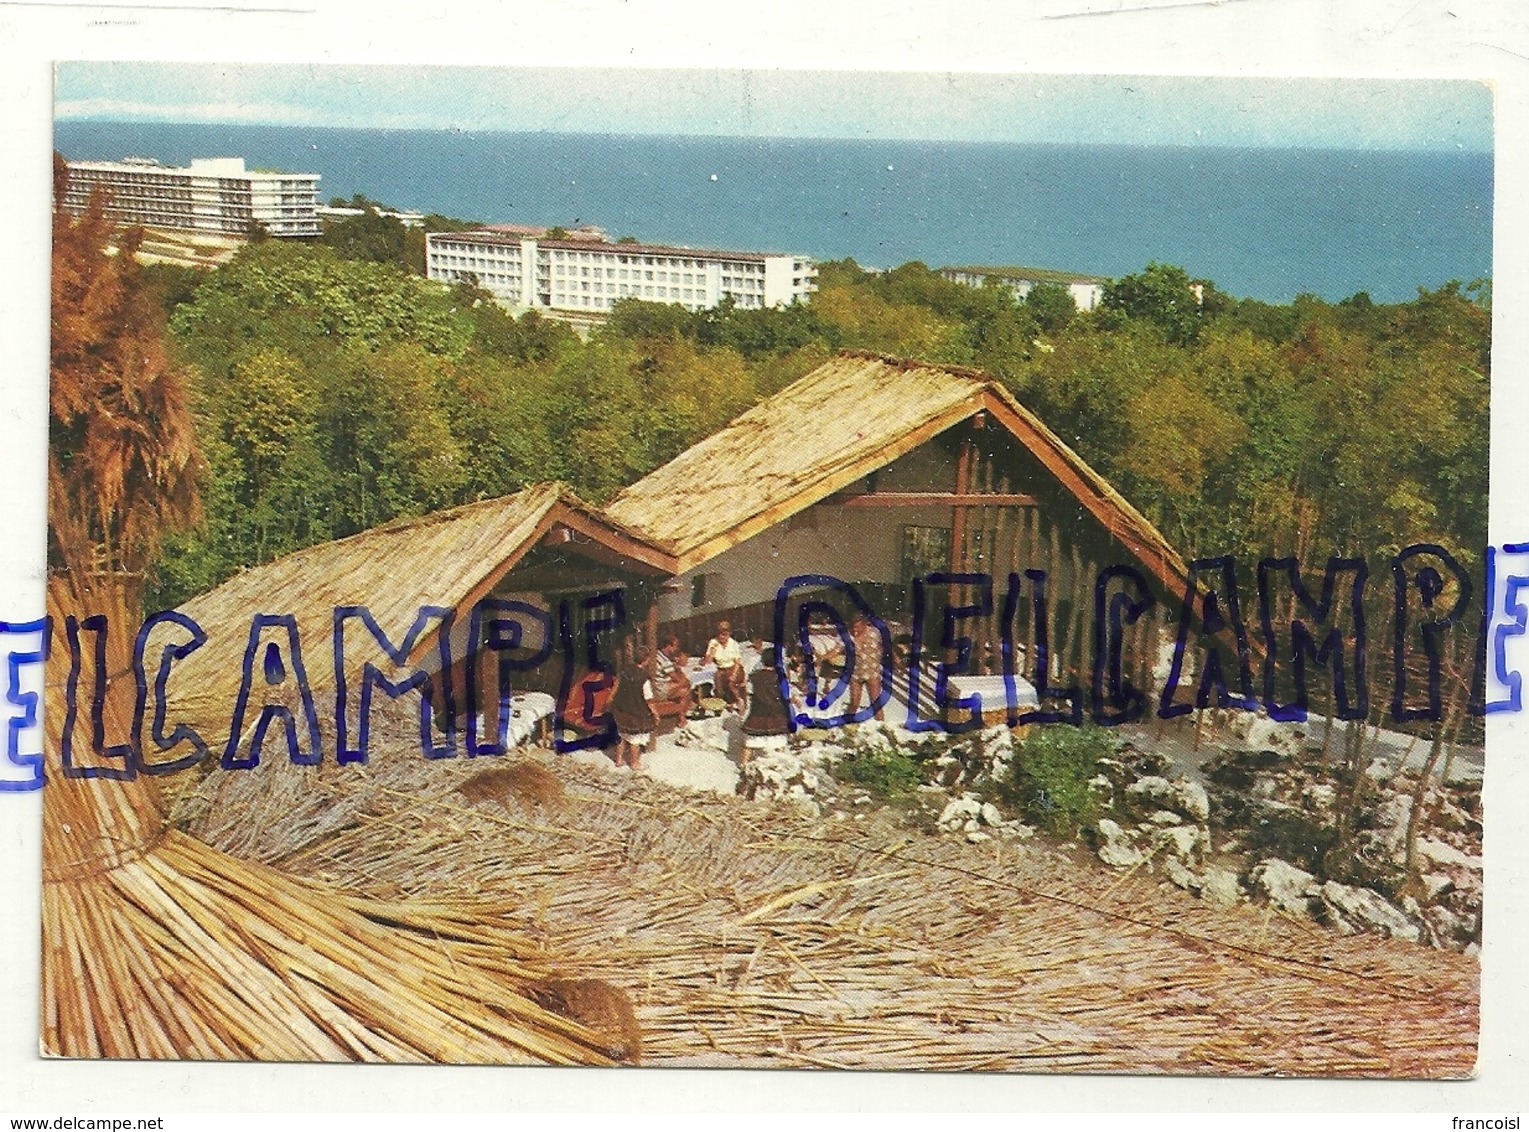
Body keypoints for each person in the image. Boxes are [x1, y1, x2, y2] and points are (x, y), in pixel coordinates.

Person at [608, 640, 658, 770]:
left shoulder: (624, 670)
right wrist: (655, 713)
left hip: (621, 708)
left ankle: (619, 760)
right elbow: (648, 699)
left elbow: (616, 686)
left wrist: (610, 700)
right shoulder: (644, 678)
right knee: (635, 739)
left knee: (621, 735)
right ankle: (634, 763)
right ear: (646, 660)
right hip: (636, 711)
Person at [740, 646, 791, 768]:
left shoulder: (754, 676)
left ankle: (743, 765)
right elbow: (786, 695)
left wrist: (744, 705)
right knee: (779, 742)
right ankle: (781, 766)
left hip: (758, 712)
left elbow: (748, 692)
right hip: (776, 713)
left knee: (750, 743)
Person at [847, 611, 886, 721]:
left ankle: (882, 727)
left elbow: (886, 645)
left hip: (872, 672)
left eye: (857, 627)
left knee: (876, 704)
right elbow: (837, 649)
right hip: (856, 673)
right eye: (853, 627)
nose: (855, 630)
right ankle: (848, 724)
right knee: (854, 703)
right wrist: (822, 657)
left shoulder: (875, 633)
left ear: (865, 624)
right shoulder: (848, 636)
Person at [703, 619, 747, 710]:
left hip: (735, 668)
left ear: (729, 634)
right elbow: (708, 662)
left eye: (725, 635)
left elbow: (737, 662)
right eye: (720, 634)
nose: (722, 637)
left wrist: (734, 674)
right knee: (718, 687)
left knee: (731, 682)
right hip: (721, 670)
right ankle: (723, 705)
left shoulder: (733, 643)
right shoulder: (713, 642)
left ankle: (739, 701)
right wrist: (712, 652)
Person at [651, 633, 694, 723]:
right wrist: (680, 671)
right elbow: (676, 678)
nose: (676, 649)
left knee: (685, 685)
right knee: (685, 688)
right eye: (675, 646)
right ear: (669, 646)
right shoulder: (665, 661)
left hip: (657, 685)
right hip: (659, 689)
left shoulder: (658, 655)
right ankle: (682, 716)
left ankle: (683, 711)